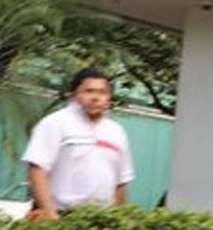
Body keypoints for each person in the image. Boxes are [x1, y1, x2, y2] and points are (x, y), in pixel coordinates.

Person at [22, 67, 134, 218]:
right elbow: (37, 168)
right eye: (89, 91)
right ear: (74, 95)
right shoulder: (55, 122)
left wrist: (118, 220)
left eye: (102, 92)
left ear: (109, 98)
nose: (95, 97)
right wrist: (49, 213)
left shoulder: (116, 132)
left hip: (101, 219)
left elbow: (121, 181)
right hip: (60, 215)